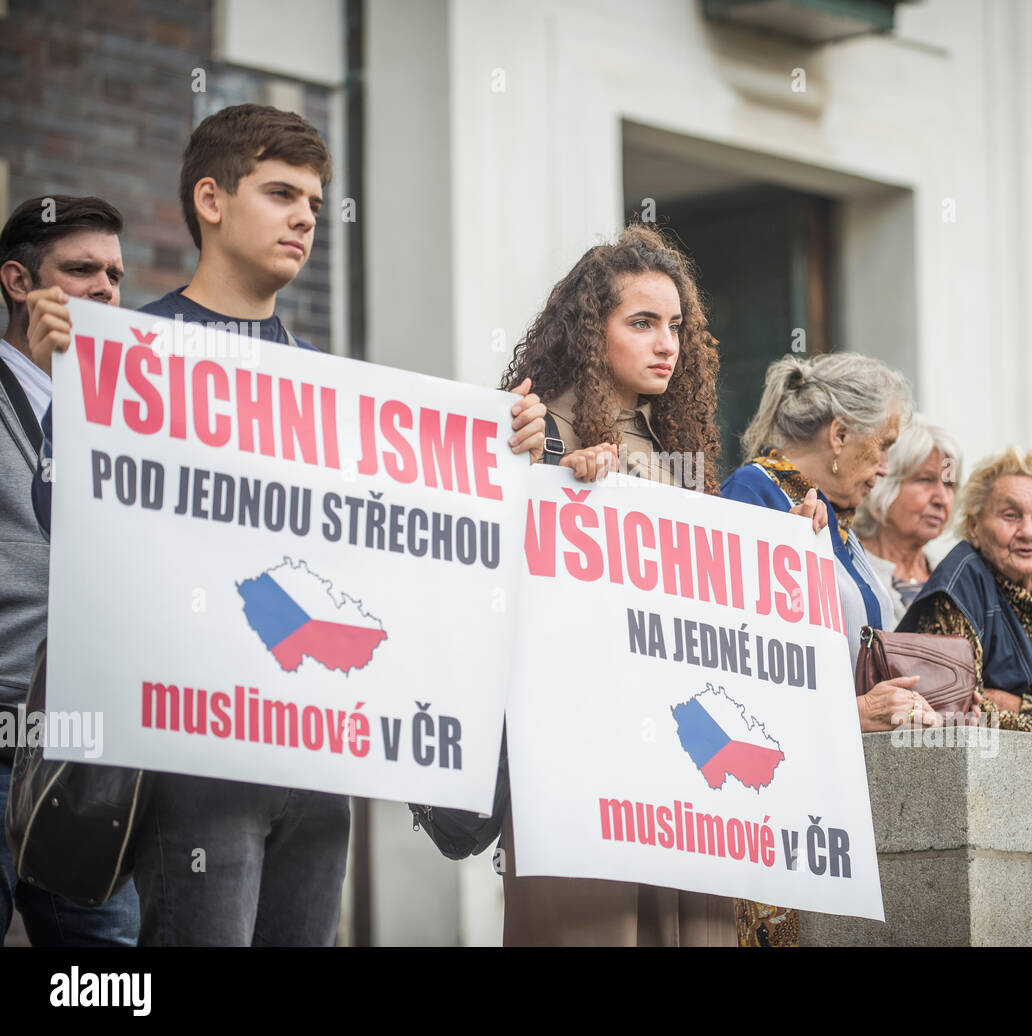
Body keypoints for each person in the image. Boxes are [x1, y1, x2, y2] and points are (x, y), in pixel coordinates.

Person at [28, 105, 547, 946]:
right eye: (280, 193)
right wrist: (74, 402)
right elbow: (68, 529)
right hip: (194, 759)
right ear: (211, 200)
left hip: (316, 767)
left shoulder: (323, 389)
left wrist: (514, 449)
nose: (307, 216)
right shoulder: (130, 354)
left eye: (313, 200)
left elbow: (401, 549)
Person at [495, 222, 733, 946]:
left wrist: (796, 531)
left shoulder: (677, 450)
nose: (668, 344)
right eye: (643, 323)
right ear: (590, 331)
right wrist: (538, 474)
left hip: (683, 755)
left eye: (677, 327)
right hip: (579, 750)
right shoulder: (530, 431)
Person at [719, 353, 936, 948]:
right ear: (839, 434)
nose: (886, 466)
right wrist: (854, 713)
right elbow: (728, 675)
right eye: (884, 444)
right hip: (768, 806)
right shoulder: (752, 494)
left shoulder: (833, 520)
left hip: (832, 795)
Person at [0, 195, 139, 945]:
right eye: (80, 270)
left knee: (105, 975)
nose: (105, 290)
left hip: (84, 757)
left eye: (114, 275)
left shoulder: (131, 412)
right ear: (19, 283)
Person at [897, 446, 1032, 739]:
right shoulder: (958, 586)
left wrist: (1005, 701)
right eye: (1011, 515)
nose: (1028, 531)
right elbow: (957, 713)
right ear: (974, 527)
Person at [854, 417, 963, 627]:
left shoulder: (954, 579)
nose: (942, 498)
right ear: (884, 481)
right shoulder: (847, 569)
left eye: (949, 484)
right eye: (925, 480)